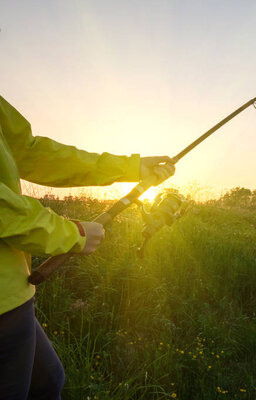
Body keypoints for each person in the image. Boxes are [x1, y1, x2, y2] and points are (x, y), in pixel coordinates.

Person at [0, 95, 175, 399]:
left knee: (48, 382)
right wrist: (72, 234)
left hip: (13, 294)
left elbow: (30, 151)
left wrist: (130, 167)